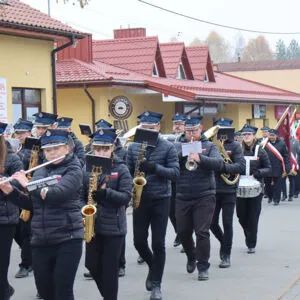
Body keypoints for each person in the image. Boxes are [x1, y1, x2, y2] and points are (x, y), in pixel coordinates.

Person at [0, 129, 83, 300]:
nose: (51, 154)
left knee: (62, 291)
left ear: (67, 148)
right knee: (45, 291)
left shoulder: (74, 170)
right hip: (40, 240)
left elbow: (55, 194)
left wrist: (27, 183)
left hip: (67, 238)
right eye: (47, 150)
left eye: (56, 149)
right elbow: (32, 204)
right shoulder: (40, 171)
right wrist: (10, 191)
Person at [127, 111, 179, 300]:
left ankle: (156, 284)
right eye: (143, 128)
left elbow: (175, 173)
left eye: (150, 128)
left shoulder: (168, 147)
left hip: (161, 198)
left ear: (157, 127)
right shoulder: (133, 147)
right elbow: (127, 170)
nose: (147, 131)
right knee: (138, 241)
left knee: (158, 243)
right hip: (140, 198)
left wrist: (155, 168)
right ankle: (153, 265)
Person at [83, 128, 132, 300]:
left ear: (112, 148)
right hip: (93, 226)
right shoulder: (87, 168)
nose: (101, 152)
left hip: (114, 228)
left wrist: (107, 194)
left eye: (105, 148)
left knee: (110, 271)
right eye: (97, 148)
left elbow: (126, 198)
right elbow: (79, 195)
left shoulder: (121, 168)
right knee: (92, 265)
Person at [174, 116, 223, 281]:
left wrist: (200, 158)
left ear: (200, 129)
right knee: (182, 232)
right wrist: (183, 155)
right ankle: (191, 255)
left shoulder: (209, 146)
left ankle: (203, 266)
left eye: (194, 130)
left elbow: (218, 164)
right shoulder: (176, 146)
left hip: (205, 194)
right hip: (182, 195)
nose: (191, 134)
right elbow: (171, 165)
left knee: (202, 232)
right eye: (188, 131)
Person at [210, 117, 244, 268]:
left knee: (227, 222)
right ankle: (225, 242)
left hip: (229, 189)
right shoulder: (211, 145)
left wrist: (223, 168)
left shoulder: (235, 146)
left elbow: (240, 167)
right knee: (211, 223)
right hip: (212, 188)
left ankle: (226, 255)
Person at [236, 125, 271, 253]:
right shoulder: (238, 149)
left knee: (253, 216)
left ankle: (251, 243)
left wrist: (257, 173)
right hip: (239, 187)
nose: (246, 136)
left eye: (249, 134)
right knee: (241, 215)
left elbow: (268, 168)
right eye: (244, 134)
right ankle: (249, 232)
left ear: (254, 136)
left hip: (255, 187)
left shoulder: (260, 151)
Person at [0, 122, 23, 300]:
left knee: (1, 263)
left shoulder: (11, 158)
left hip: (5, 218)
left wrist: (3, 182)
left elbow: (18, 182)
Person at [13, 119, 34, 278]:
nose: (19, 136)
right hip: (18, 194)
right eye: (17, 133)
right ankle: (30, 257)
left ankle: (26, 264)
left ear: (29, 133)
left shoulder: (33, 150)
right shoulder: (16, 150)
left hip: (31, 193)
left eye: (22, 133)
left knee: (27, 231)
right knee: (18, 231)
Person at [170, 113, 186, 248]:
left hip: (184, 178)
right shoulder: (167, 139)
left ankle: (185, 236)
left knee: (182, 210)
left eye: (180, 124)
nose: (177, 127)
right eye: (175, 124)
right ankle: (180, 233)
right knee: (171, 210)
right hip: (170, 179)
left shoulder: (188, 140)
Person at [264, 129, 290, 205]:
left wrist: (287, 167)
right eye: (270, 135)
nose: (271, 137)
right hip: (267, 168)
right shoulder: (265, 143)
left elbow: (286, 156)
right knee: (268, 185)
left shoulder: (282, 143)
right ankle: (270, 196)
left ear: (276, 136)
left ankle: (276, 199)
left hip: (278, 167)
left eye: (273, 135)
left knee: (277, 185)